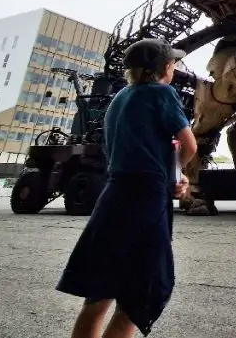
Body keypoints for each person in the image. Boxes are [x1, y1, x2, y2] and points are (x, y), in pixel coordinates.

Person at [57, 38, 197, 338]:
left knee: (99, 292)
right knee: (140, 295)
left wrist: (169, 170)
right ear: (166, 68)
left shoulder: (120, 98)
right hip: (145, 200)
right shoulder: (162, 92)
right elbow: (189, 144)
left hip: (113, 197)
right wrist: (175, 175)